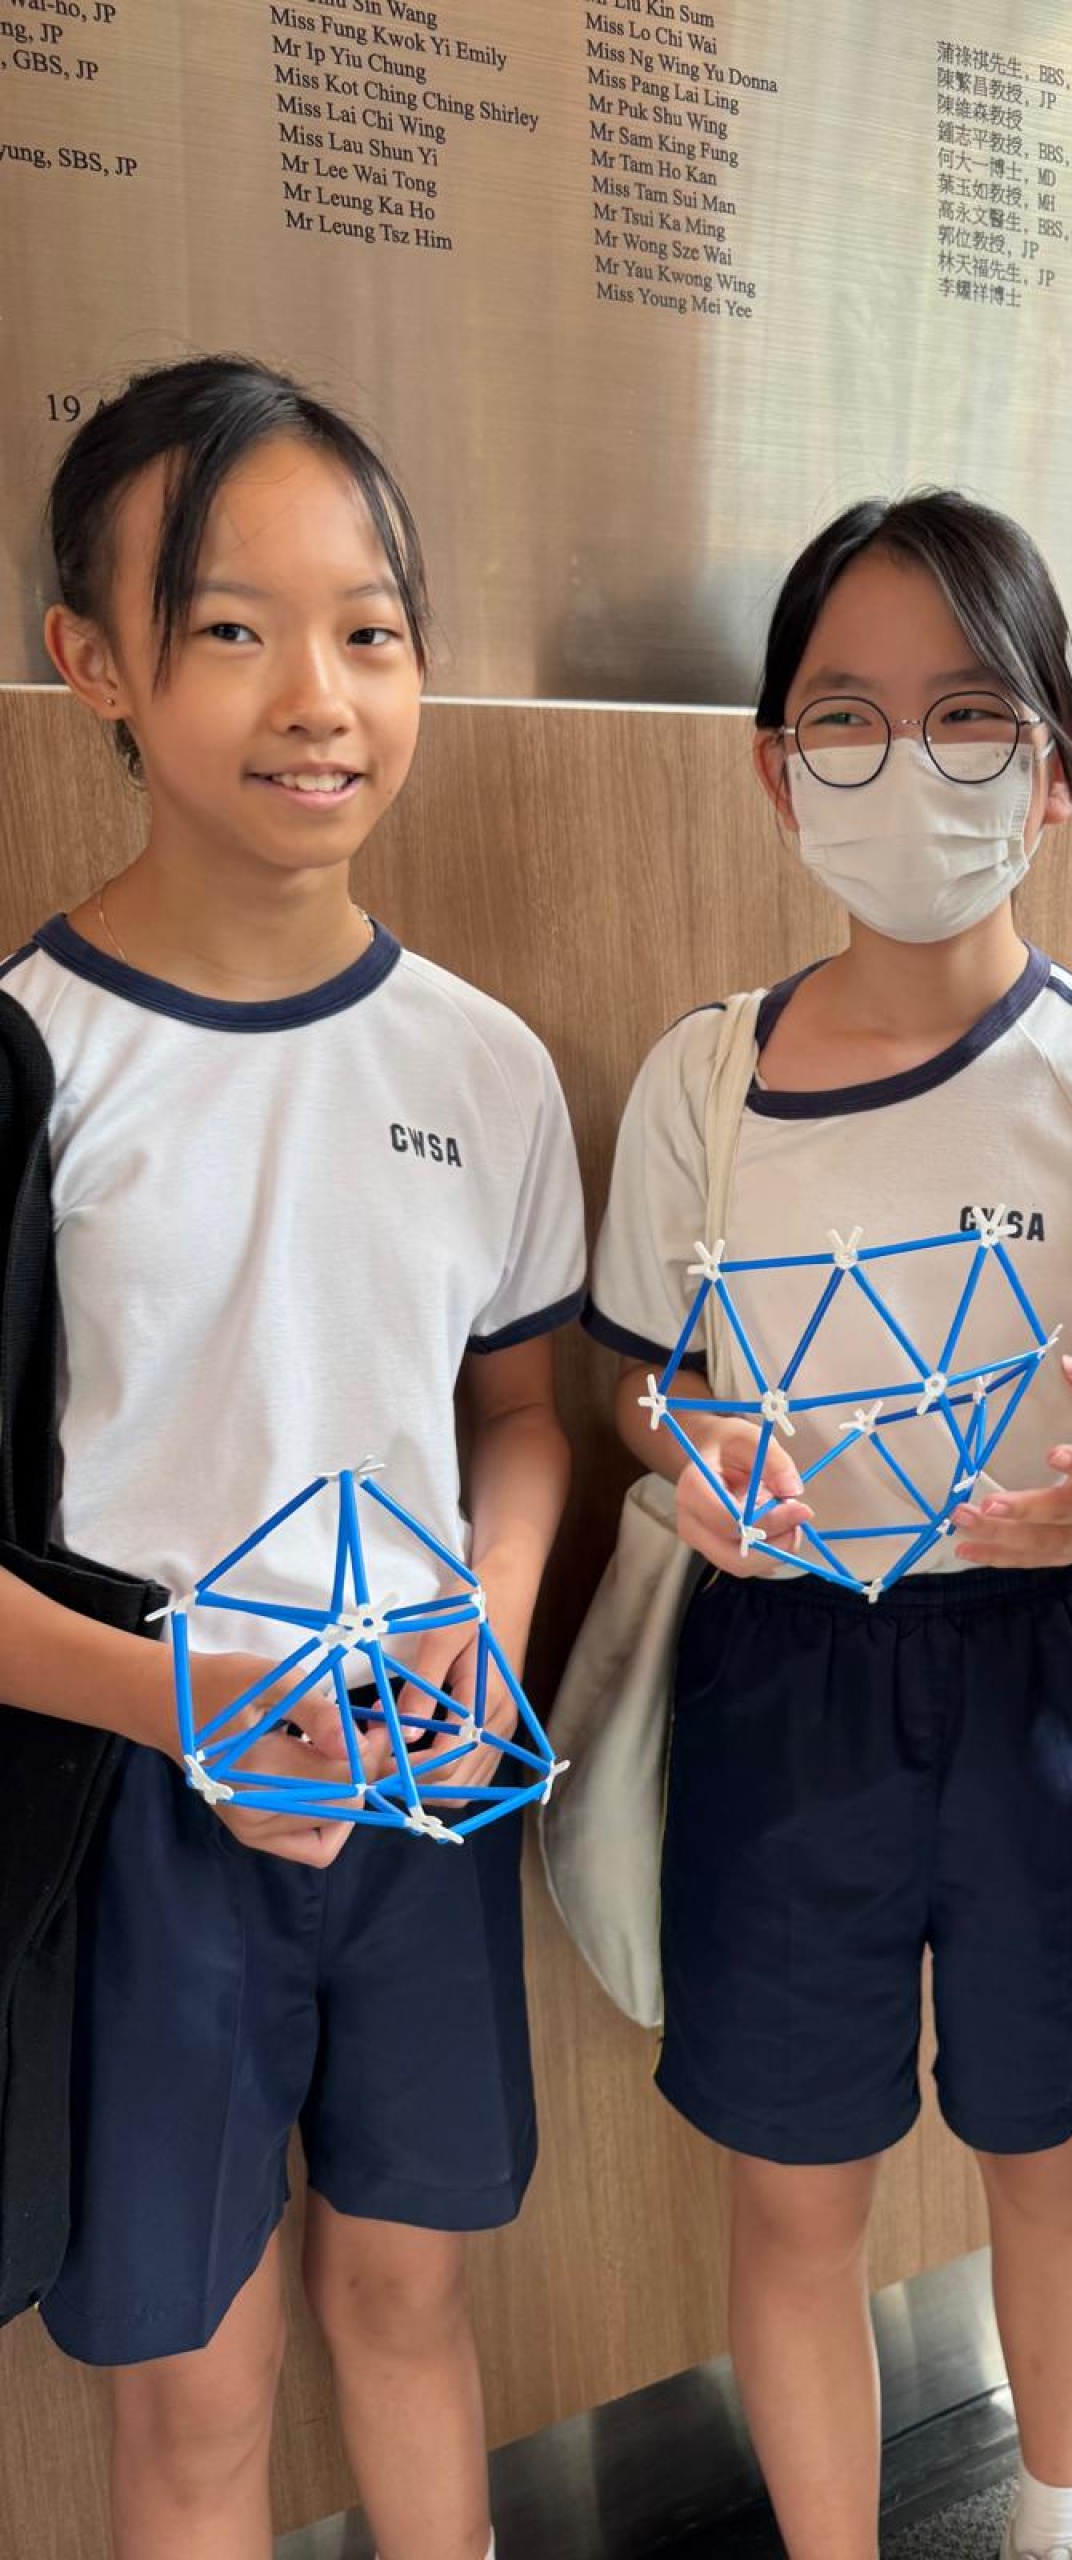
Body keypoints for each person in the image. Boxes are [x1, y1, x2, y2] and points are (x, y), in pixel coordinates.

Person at [585, 490, 1072, 2560]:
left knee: (1048, 2142)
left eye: (970, 714)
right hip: (781, 1680)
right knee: (794, 2190)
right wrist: (688, 1461)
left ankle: (1066, 2515)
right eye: (848, 718)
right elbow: (633, 1388)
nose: (909, 767)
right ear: (776, 769)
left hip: (1036, 1674)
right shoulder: (703, 1083)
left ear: (1063, 764)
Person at [5, 356, 584, 2560]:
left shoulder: (486, 1064)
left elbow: (518, 1419)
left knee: (411, 2301)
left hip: (421, 1773)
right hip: (136, 1805)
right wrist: (189, 1701)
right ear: (95, 662)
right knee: (196, 2394)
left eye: (370, 629)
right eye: (233, 628)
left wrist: (481, 1628)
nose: (318, 697)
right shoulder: (30, 1064)